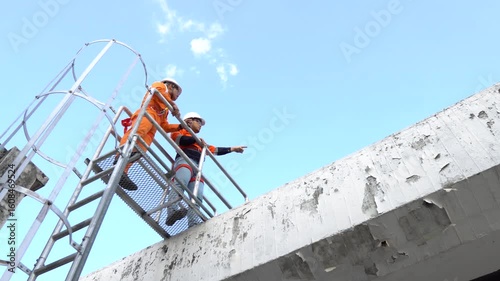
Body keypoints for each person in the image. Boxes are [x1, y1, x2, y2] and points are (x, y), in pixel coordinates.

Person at [165, 112, 246, 227]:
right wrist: (196, 140)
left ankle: (193, 222)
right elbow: (182, 141)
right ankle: (172, 211)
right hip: (185, 160)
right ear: (189, 121)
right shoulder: (180, 132)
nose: (200, 125)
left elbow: (215, 150)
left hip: (197, 168)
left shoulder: (199, 141)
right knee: (180, 184)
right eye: (198, 121)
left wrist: (232, 149)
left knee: (197, 196)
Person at [116, 78, 183, 190]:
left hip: (153, 127)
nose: (177, 96)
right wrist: (172, 104)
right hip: (148, 114)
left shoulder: (166, 108)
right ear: (171, 86)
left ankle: (123, 172)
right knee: (136, 134)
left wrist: (179, 126)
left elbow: (164, 126)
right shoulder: (161, 86)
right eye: (178, 93)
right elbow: (156, 91)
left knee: (141, 149)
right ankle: (118, 159)